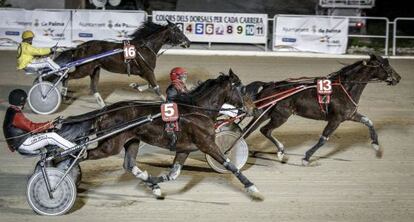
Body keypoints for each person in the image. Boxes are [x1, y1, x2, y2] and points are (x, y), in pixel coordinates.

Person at [3, 89, 75, 154]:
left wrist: (48, 125)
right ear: (22, 102)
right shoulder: (16, 115)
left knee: (48, 134)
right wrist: (49, 124)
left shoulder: (11, 111)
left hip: (21, 141)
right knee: (51, 136)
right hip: (24, 143)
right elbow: (33, 128)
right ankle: (73, 149)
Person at [164, 67, 189, 151]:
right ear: (176, 77)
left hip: (178, 106)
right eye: (183, 76)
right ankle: (171, 135)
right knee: (172, 122)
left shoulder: (181, 85)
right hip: (171, 109)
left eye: (185, 76)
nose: (185, 78)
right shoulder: (173, 86)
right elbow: (171, 97)